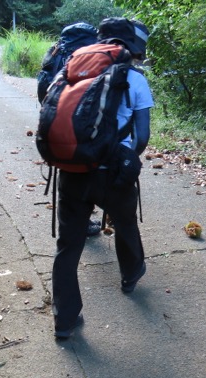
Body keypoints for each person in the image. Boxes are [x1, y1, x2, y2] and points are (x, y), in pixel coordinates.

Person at [51, 17, 154, 339]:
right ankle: (131, 274)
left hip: (71, 170)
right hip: (112, 173)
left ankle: (65, 320)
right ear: (133, 46)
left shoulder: (69, 69)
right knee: (125, 224)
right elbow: (143, 135)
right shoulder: (134, 79)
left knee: (68, 246)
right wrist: (126, 158)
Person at [38, 22, 105, 237]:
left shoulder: (57, 51)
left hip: (54, 119)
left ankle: (68, 221)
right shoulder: (90, 54)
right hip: (81, 123)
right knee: (84, 171)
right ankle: (82, 223)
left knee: (65, 171)